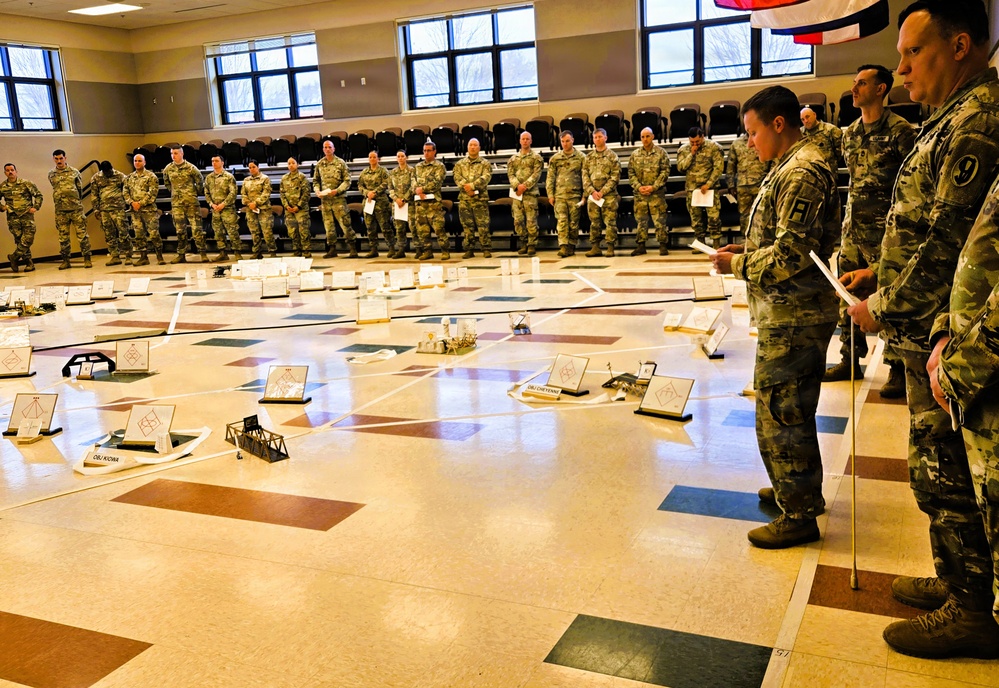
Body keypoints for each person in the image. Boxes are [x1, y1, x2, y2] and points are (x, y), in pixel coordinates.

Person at [845, 0, 999, 659]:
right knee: (940, 471)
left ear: (959, 44)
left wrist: (881, 304)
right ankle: (956, 581)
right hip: (934, 326)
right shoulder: (946, 119)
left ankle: (969, 609)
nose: (900, 69)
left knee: (948, 470)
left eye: (912, 53)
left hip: (955, 335)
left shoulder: (976, 119)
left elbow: (946, 243)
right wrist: (880, 271)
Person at [710, 85, 840, 550]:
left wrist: (736, 266)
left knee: (782, 413)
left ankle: (800, 514)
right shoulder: (786, 166)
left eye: (752, 132)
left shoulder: (802, 170)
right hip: (786, 309)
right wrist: (745, 248)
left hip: (797, 312)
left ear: (777, 125)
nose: (749, 143)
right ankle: (798, 489)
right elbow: (779, 236)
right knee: (786, 408)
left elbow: (792, 253)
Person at [824, 65, 916, 392]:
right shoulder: (848, 134)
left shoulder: (902, 131)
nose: (854, 88)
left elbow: (913, 185)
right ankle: (851, 358)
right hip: (854, 228)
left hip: (889, 230)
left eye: (861, 83)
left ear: (880, 89)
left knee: (888, 292)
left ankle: (898, 367)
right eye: (853, 83)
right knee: (846, 291)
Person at [677, 127, 725, 248]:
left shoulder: (714, 147)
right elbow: (681, 167)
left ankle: (716, 244)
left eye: (697, 142)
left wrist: (708, 184)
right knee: (696, 220)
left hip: (710, 188)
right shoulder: (683, 150)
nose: (695, 144)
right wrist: (691, 154)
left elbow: (718, 168)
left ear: (703, 136)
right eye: (692, 142)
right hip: (693, 190)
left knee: (714, 218)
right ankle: (700, 244)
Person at [628, 127, 671, 256]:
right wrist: (638, 187)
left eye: (647, 136)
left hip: (656, 194)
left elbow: (665, 171)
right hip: (640, 194)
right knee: (641, 221)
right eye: (642, 137)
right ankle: (641, 245)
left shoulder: (661, 153)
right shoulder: (635, 155)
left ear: (652, 137)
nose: (645, 139)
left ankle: (663, 245)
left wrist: (654, 187)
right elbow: (631, 173)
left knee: (660, 220)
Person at [162, 146, 207, 263]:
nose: (173, 155)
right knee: (180, 230)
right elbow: (167, 183)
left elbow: (200, 181)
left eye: (176, 153)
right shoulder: (168, 168)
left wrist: (193, 193)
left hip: (191, 203)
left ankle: (203, 253)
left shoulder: (191, 168)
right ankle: (181, 254)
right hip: (177, 204)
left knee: (197, 229)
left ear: (182, 154)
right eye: (172, 153)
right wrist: (174, 193)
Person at [48, 149, 92, 270]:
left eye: (61, 158)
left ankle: (87, 258)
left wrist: (75, 201)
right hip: (61, 210)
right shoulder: (51, 173)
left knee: (82, 235)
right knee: (63, 237)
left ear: (65, 158)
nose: (59, 161)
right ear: (53, 159)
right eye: (56, 159)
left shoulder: (74, 172)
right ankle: (66, 260)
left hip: (75, 209)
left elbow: (80, 190)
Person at [312, 139, 355, 258]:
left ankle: (352, 247)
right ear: (323, 149)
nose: (327, 149)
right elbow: (316, 181)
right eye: (325, 147)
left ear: (334, 149)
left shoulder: (340, 163)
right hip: (325, 201)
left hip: (338, 199)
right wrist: (316, 190)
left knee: (345, 224)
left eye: (329, 147)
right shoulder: (320, 164)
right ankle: (332, 249)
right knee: (328, 226)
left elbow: (347, 181)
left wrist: (338, 190)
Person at [583, 128, 621, 257]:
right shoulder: (588, 157)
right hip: (593, 196)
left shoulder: (612, 156)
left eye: (600, 137)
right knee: (594, 222)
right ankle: (595, 247)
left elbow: (615, 176)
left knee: (610, 222)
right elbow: (585, 176)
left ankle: (610, 247)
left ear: (605, 138)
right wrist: (592, 191)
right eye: (595, 137)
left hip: (608, 195)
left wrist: (603, 191)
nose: (597, 139)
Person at [546, 131, 585, 257]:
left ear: (573, 140)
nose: (565, 144)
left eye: (567, 141)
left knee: (573, 223)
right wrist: (550, 195)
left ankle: (571, 246)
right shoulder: (555, 158)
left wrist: (584, 196)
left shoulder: (581, 157)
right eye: (562, 141)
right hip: (560, 195)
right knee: (562, 221)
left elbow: (585, 178)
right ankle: (563, 246)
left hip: (575, 195)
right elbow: (550, 178)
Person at [453, 138, 492, 258]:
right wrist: (467, 187)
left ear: (479, 148)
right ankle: (469, 249)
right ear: (467, 147)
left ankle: (485, 248)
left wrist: (472, 186)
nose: (473, 147)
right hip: (465, 199)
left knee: (483, 224)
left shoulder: (485, 163)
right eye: (471, 145)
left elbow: (486, 177)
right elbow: (457, 177)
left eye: (475, 145)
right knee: (467, 225)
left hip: (480, 198)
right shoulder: (460, 164)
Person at [124, 153, 165, 266]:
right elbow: (125, 192)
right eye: (135, 161)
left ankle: (159, 256)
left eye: (139, 161)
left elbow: (152, 193)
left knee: (154, 234)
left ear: (144, 162)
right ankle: (143, 257)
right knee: (139, 234)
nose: (137, 163)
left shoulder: (151, 176)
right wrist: (132, 202)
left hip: (149, 210)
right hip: (135, 211)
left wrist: (140, 203)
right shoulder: (129, 178)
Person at [726, 132, 770, 236]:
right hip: (743, 186)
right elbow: (731, 167)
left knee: (762, 214)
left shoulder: (763, 140)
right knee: (744, 215)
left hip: (761, 184)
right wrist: (731, 185)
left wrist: (769, 182)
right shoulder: (736, 143)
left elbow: (772, 162)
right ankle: (746, 241)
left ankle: (762, 241)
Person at [0, 163, 42, 273]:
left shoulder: (26, 183)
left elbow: (38, 195)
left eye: (12, 170)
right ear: (5, 173)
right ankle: (29, 263)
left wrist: (35, 207)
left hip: (26, 215)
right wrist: (2, 207)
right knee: (19, 240)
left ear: (16, 171)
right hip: (13, 217)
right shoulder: (3, 186)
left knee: (28, 238)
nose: (10, 172)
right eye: (7, 170)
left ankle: (14, 257)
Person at [90, 161, 133, 266]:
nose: (107, 173)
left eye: (109, 171)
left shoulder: (119, 176)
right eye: (105, 172)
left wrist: (129, 202)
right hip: (104, 210)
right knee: (109, 234)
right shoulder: (96, 178)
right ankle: (115, 256)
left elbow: (128, 189)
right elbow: (94, 194)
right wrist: (96, 209)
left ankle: (128, 255)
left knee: (123, 232)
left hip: (118, 209)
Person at [411, 141, 449, 261]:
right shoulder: (417, 167)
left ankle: (445, 250)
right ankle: (427, 251)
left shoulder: (439, 166)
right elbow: (412, 181)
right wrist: (417, 190)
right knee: (422, 229)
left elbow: (437, 182)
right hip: (420, 203)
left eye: (429, 150)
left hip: (434, 203)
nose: (426, 153)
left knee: (439, 228)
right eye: (424, 151)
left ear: (434, 151)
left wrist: (423, 189)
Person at [508, 131, 543, 256]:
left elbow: (536, 175)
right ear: (520, 141)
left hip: (530, 194)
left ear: (531, 141)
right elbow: (510, 174)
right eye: (523, 139)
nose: (525, 141)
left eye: (527, 139)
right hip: (517, 194)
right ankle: (523, 242)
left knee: (531, 221)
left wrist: (524, 186)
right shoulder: (513, 159)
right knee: (518, 220)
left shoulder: (537, 158)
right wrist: (518, 186)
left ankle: (532, 244)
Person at [204, 155, 241, 262]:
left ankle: (237, 252)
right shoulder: (209, 178)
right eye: (212, 161)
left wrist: (224, 204)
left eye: (216, 161)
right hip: (215, 210)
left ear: (222, 162)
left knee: (232, 232)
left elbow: (233, 192)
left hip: (227, 210)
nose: (214, 163)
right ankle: (222, 252)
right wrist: (211, 204)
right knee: (218, 232)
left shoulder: (228, 177)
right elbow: (206, 192)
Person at [357, 151, 393, 258]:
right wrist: (367, 193)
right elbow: (360, 185)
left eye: (374, 157)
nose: (372, 159)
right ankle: (373, 249)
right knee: (370, 227)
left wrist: (375, 192)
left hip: (381, 202)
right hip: (368, 202)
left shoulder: (383, 171)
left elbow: (386, 183)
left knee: (385, 226)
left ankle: (391, 248)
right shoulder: (364, 172)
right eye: (370, 157)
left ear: (378, 159)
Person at [242, 160, 276, 259]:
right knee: (254, 231)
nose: (251, 169)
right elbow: (243, 194)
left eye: (253, 167)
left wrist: (255, 203)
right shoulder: (246, 180)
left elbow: (266, 193)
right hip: (250, 210)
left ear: (258, 167)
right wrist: (249, 203)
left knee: (267, 231)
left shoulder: (265, 178)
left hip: (263, 209)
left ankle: (272, 252)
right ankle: (257, 252)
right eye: (250, 167)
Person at [280, 158, 312, 258]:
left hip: (301, 209)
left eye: (293, 163)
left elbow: (306, 193)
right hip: (289, 209)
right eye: (289, 163)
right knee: (292, 230)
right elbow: (282, 194)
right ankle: (297, 250)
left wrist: (298, 206)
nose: (291, 165)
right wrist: (286, 205)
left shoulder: (302, 177)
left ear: (297, 164)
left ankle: (306, 250)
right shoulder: (284, 178)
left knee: (303, 230)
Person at [389, 151, 416, 259]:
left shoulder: (412, 170)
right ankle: (401, 249)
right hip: (397, 204)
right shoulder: (393, 172)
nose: (400, 158)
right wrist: (396, 199)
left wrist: (404, 199)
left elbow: (413, 186)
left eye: (402, 156)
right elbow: (390, 188)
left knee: (413, 227)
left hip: (409, 203)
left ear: (406, 157)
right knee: (399, 228)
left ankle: (418, 248)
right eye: (398, 156)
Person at [800, 106, 844, 170]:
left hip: (828, 172)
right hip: (807, 173)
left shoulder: (831, 130)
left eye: (807, 117)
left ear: (814, 115)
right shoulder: (800, 133)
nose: (806, 121)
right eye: (803, 119)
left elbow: (840, 153)